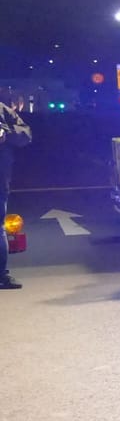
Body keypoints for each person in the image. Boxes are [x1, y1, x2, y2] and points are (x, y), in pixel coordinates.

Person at [0, 88, 27, 290]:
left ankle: (1, 275)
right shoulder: (4, 110)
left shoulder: (4, 111)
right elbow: (24, 135)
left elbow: (24, 134)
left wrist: (6, 134)